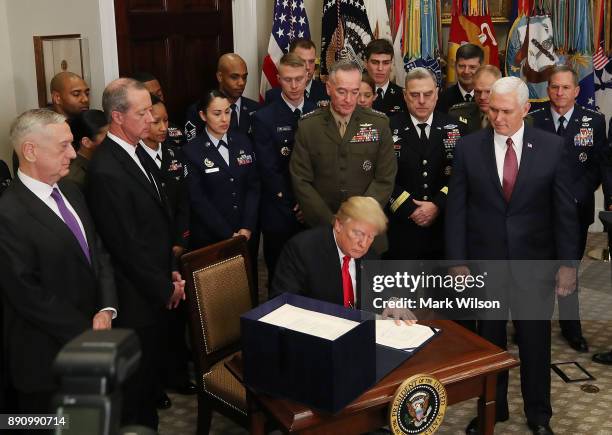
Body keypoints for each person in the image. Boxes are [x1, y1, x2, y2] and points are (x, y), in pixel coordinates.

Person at [446, 77, 579, 435]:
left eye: (506, 111)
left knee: (535, 345)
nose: (498, 118)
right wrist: (457, 261)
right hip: (484, 265)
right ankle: (494, 409)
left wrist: (568, 265)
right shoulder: (469, 148)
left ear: (526, 109)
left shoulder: (552, 147)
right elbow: (456, 209)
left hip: (535, 267)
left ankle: (539, 416)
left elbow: (564, 212)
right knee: (488, 343)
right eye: (492, 110)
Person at [0, 109, 117, 419]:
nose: (72, 153)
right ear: (30, 151)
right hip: (45, 359)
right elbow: (26, 293)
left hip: (91, 344)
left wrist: (106, 309)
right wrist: (87, 328)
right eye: (62, 146)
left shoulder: (71, 190)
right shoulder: (7, 213)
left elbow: (98, 252)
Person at [87, 78, 185, 430]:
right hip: (135, 298)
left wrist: (172, 269)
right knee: (137, 392)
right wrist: (163, 287)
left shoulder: (139, 150)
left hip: (156, 284)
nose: (151, 118)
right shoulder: (106, 170)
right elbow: (125, 245)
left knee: (149, 382)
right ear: (117, 117)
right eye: (142, 112)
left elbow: (160, 220)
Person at [529, 65, 607, 353]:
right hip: (539, 211)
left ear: (577, 91)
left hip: (576, 209)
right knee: (538, 271)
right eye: (554, 87)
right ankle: (533, 324)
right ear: (547, 89)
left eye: (565, 88)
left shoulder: (594, 122)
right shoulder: (533, 121)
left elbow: (598, 166)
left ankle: (571, 327)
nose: (559, 93)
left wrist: (573, 196)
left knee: (570, 268)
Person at [290, 59, 397, 237]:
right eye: (341, 91)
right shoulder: (309, 126)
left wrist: (358, 217)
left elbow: (385, 178)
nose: (349, 99)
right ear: (328, 88)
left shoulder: (379, 124)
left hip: (367, 228)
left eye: (355, 92)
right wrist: (331, 221)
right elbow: (301, 180)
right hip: (322, 229)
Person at [139, 94, 194, 408]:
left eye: (165, 121)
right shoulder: (136, 158)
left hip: (176, 246)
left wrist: (180, 240)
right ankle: (155, 383)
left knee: (178, 316)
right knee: (155, 319)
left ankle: (177, 373)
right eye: (155, 121)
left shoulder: (175, 155)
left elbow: (184, 202)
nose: (162, 127)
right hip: (150, 252)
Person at [183, 90, 260, 301]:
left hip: (245, 234)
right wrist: (228, 234)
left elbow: (253, 186)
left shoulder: (243, 141)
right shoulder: (192, 151)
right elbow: (198, 199)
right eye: (217, 113)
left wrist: (247, 227)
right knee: (216, 298)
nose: (224, 119)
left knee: (246, 291)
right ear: (202, 115)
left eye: (227, 112)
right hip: (212, 237)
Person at [386, 67, 466, 260]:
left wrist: (438, 204)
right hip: (400, 228)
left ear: (437, 94)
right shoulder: (388, 128)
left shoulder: (457, 128)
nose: (421, 100)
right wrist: (410, 208)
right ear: (405, 95)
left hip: (443, 230)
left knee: (439, 289)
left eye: (427, 94)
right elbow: (382, 176)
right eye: (415, 95)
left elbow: (462, 176)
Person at [252, 53, 315, 283]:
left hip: (312, 209)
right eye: (288, 79)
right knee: (280, 278)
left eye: (299, 78)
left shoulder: (318, 112)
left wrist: (308, 202)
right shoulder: (264, 117)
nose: (295, 85)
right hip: (280, 211)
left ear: (308, 76)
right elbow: (269, 169)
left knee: (312, 278)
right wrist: (295, 201)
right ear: (278, 78)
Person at [184, 53, 259, 141]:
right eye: (234, 77)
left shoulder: (257, 109)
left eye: (244, 77)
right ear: (220, 77)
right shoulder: (198, 111)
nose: (241, 83)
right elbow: (193, 149)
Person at [265, 38, 329, 106]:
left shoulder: (328, 92)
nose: (307, 67)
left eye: (311, 61)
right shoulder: (273, 96)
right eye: (302, 61)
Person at [130, 71, 186, 147]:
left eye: (159, 95)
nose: (157, 100)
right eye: (150, 96)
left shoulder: (177, 133)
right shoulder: (128, 138)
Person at [449, 65, 501, 133]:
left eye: (488, 92)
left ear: (500, 90)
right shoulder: (457, 114)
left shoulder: (510, 117)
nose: (482, 97)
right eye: (478, 92)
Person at [65, 110, 108, 190]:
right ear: (87, 142)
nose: (113, 139)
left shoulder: (100, 159)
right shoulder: (74, 179)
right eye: (107, 136)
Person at [365, 38, 407, 117]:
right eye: (375, 62)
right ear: (366, 63)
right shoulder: (355, 94)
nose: (380, 68)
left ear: (392, 64)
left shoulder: (403, 95)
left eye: (386, 63)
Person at [436, 44, 483, 113]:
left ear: (481, 68)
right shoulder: (442, 99)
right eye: (462, 66)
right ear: (455, 66)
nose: (466, 72)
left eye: (472, 67)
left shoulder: (487, 98)